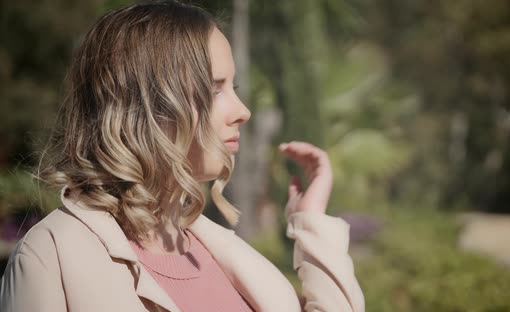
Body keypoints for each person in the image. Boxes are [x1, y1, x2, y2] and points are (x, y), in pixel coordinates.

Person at [0, 1, 365, 311]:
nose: (242, 111)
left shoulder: (225, 254)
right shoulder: (52, 254)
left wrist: (310, 221)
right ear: (145, 105)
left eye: (232, 87)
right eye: (214, 88)